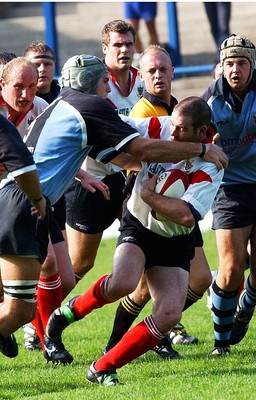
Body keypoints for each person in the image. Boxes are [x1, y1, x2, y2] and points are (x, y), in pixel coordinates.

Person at [0, 54, 227, 362]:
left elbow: (126, 151)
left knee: (32, 299)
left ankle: (78, 350)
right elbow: (141, 150)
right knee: (20, 307)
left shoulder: (64, 103)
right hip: (23, 203)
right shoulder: (90, 107)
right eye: (105, 80)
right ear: (93, 82)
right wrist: (202, 148)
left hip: (31, 203)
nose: (110, 86)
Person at [45, 96, 224, 385]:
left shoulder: (215, 163)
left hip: (174, 240)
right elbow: (117, 128)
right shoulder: (161, 125)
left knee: (168, 314)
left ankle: (102, 367)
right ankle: (66, 313)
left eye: (181, 130)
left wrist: (151, 195)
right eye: (172, 125)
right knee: (123, 283)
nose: (172, 133)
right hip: (138, 225)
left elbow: (187, 216)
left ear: (202, 131)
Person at [104, 45, 208, 361]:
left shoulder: (178, 108)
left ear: (173, 71)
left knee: (199, 278)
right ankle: (127, 342)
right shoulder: (142, 113)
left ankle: (158, 330)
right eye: (151, 71)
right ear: (141, 75)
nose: (159, 75)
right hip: (147, 210)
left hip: (176, 207)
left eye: (163, 69)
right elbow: (130, 158)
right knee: (140, 289)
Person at [65, 20, 143, 286]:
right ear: (105, 48)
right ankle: (34, 319)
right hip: (93, 181)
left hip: (128, 179)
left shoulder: (143, 80)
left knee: (147, 248)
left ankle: (169, 322)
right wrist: (141, 162)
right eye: (117, 45)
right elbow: (88, 137)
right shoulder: (91, 82)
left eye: (129, 44)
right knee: (80, 263)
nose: (124, 50)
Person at [201, 33, 256, 356]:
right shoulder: (208, 101)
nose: (234, 69)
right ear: (221, 67)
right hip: (229, 189)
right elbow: (193, 142)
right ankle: (221, 343)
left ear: (252, 66)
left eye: (241, 63)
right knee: (232, 267)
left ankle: (245, 309)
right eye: (229, 63)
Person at [22, 42, 75, 351]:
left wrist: (82, 174)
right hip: (23, 200)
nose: (41, 70)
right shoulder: (10, 106)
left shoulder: (58, 102)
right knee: (49, 264)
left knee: (67, 275)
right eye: (35, 65)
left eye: (46, 64)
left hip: (53, 194)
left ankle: (35, 324)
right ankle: (43, 336)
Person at [0, 114, 45, 357]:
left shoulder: (44, 108)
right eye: (19, 86)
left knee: (24, 310)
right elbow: (24, 167)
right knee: (20, 310)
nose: (26, 94)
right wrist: (38, 199)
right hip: (20, 202)